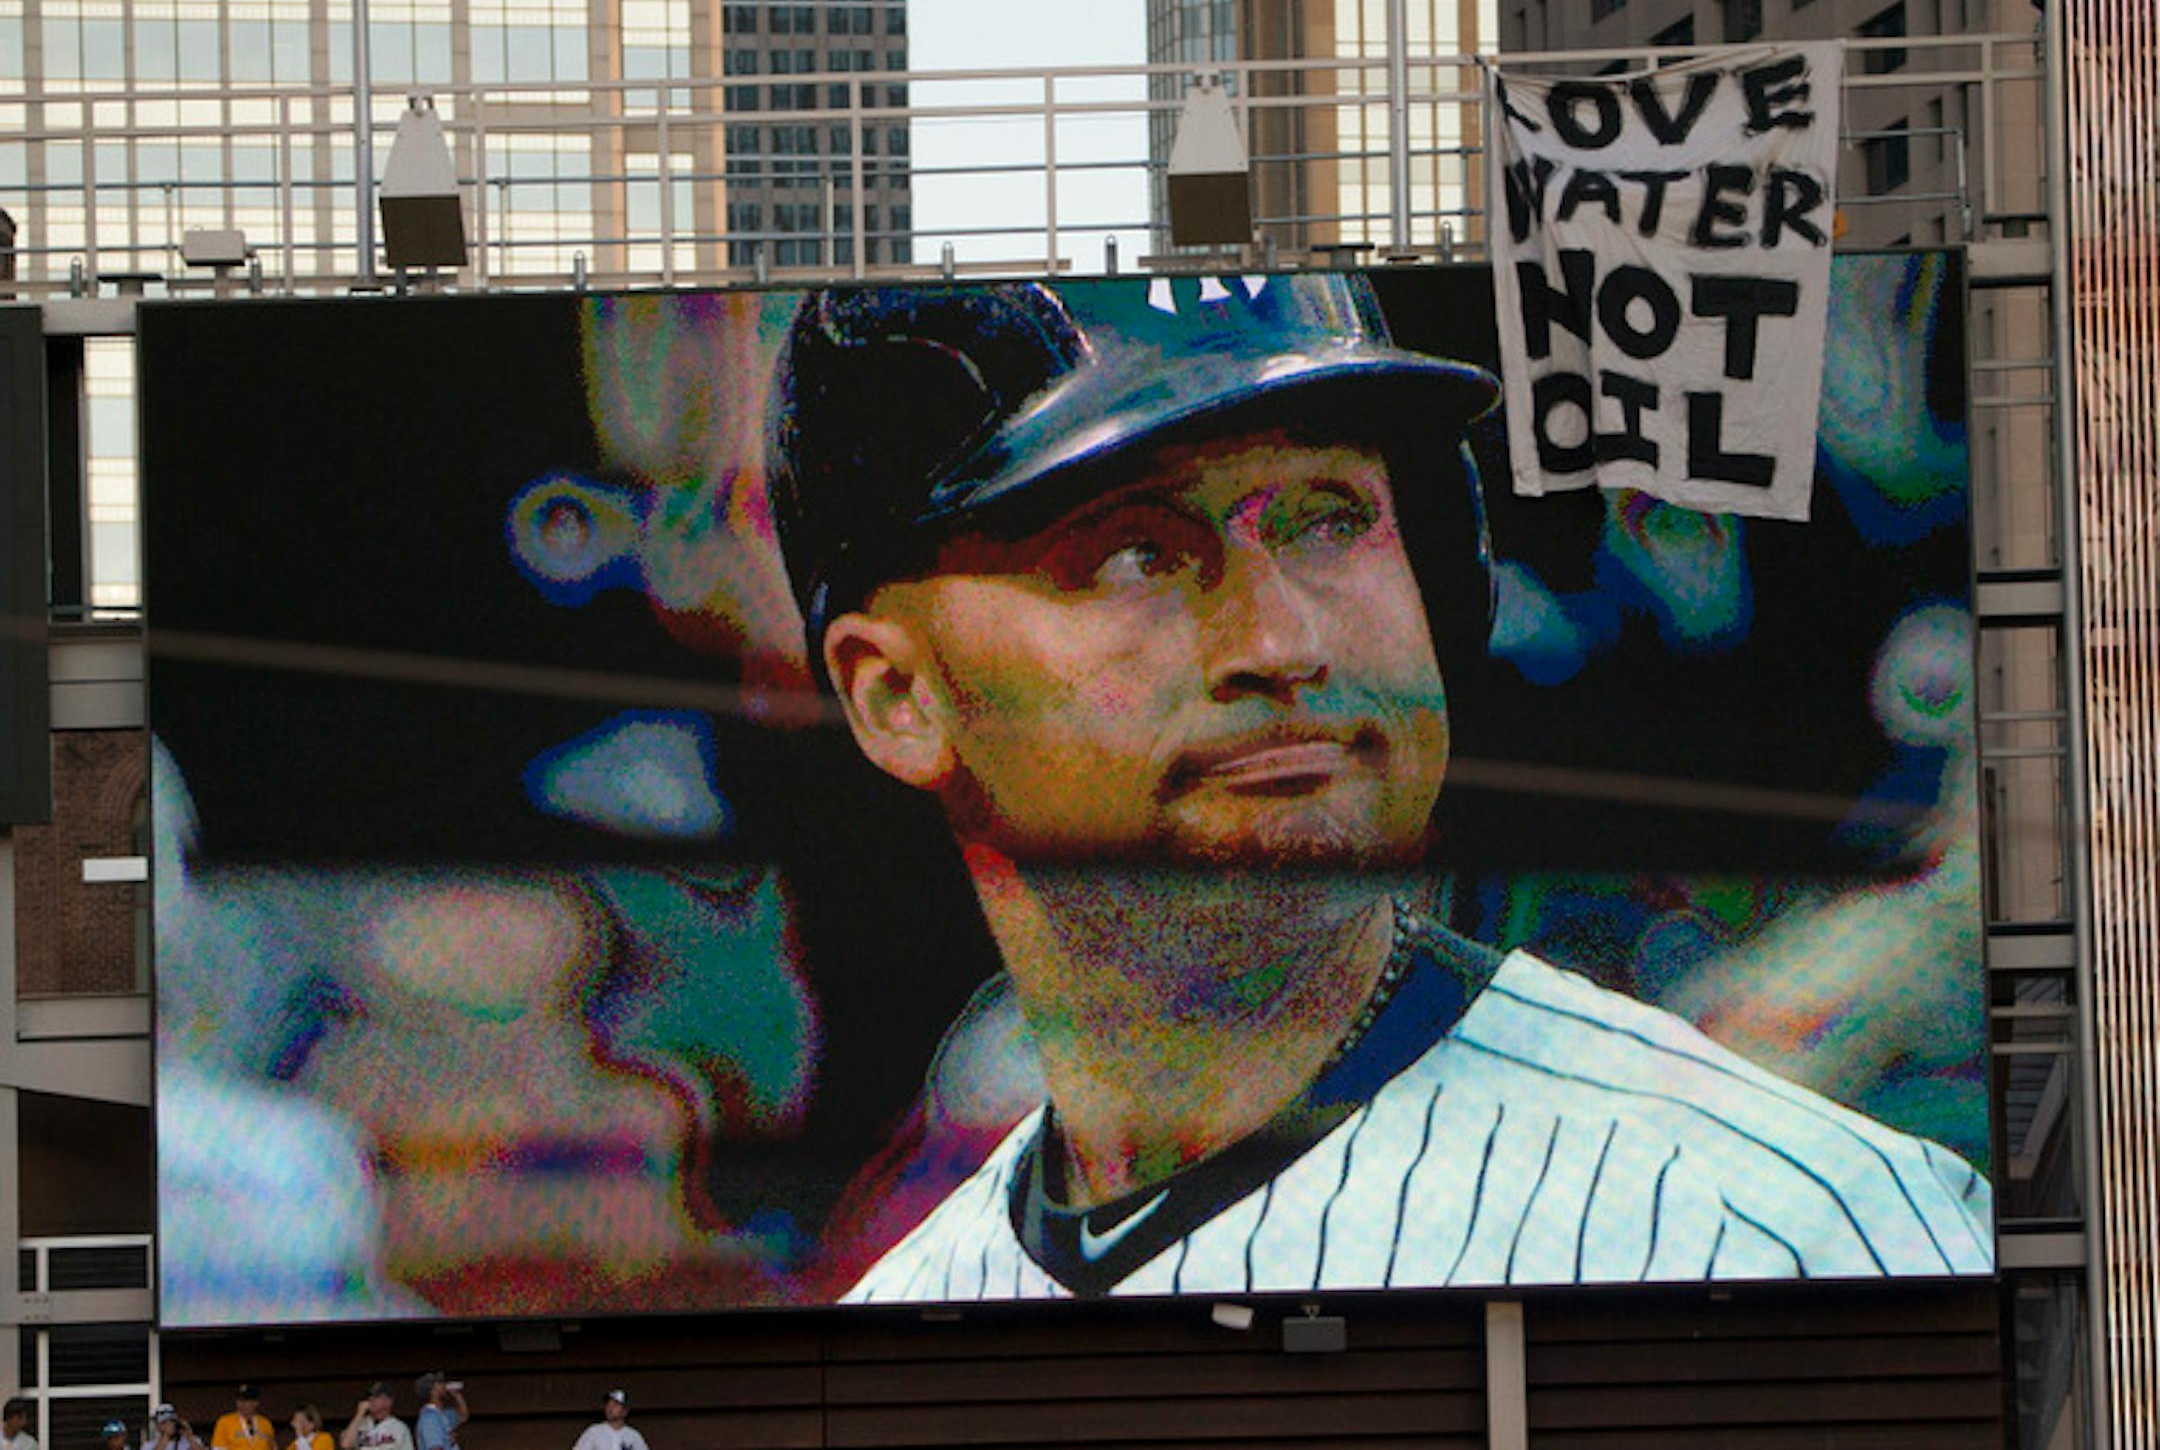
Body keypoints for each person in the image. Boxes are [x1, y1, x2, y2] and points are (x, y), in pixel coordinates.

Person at [764, 272, 1996, 1302]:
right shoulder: (904, 1319)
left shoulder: (1790, 1231)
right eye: (1135, 553)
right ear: (896, 697)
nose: (1281, 637)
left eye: (1324, 519)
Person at [567, 1392, 645, 1450]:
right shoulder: (594, 1431)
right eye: (608, 1405)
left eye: (615, 1405)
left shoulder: (633, 1435)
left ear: (625, 1410)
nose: (610, 1408)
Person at [337, 1387, 408, 1450]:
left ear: (388, 1401)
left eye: (376, 1397)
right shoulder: (359, 1423)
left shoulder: (399, 1427)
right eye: (370, 1398)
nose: (371, 1400)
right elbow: (345, 1445)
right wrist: (359, 1413)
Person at [408, 1377, 463, 1450]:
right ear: (432, 1391)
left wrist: (457, 1396)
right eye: (439, 1383)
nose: (444, 1385)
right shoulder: (429, 1419)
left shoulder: (440, 1414)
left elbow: (463, 1416)